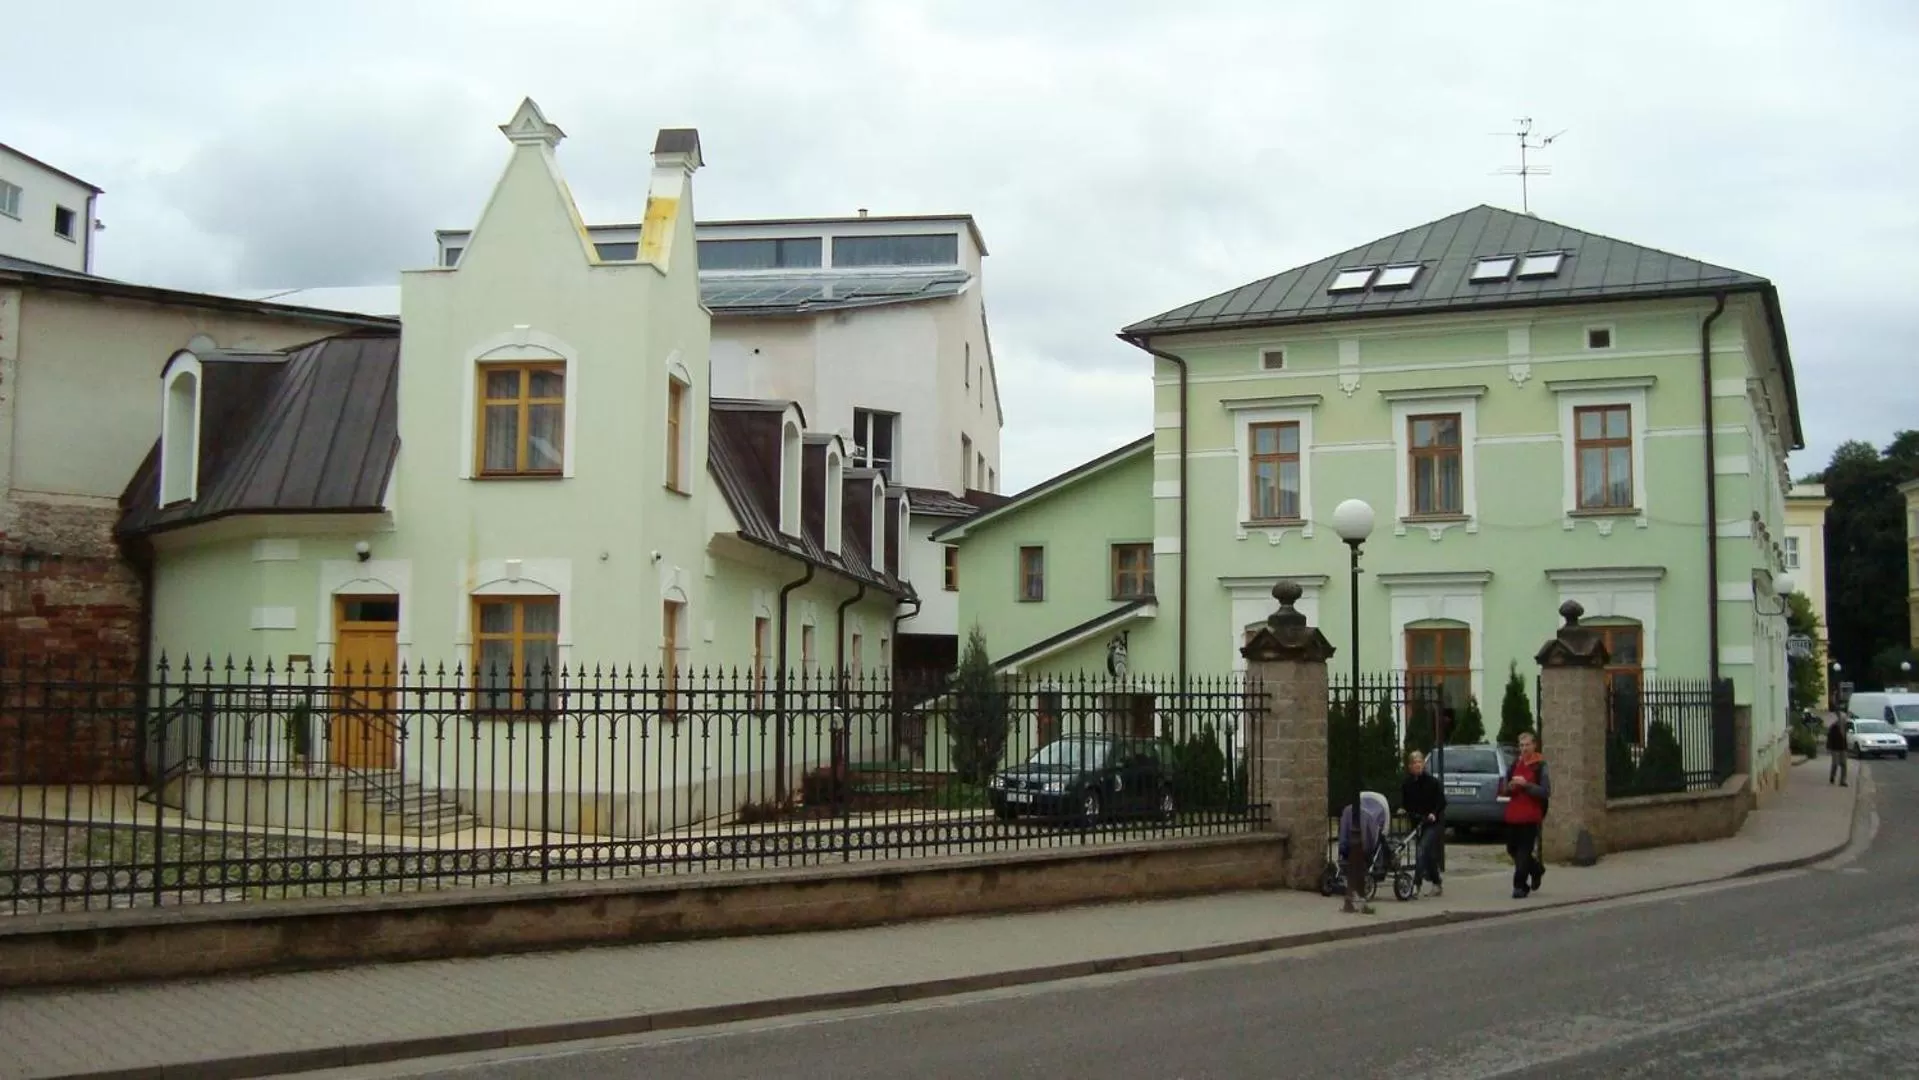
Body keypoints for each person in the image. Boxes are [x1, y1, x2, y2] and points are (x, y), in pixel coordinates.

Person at [1499, 730, 1551, 899]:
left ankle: (1519, 886)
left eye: (1527, 745)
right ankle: (1536, 869)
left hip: (1531, 815)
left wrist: (1526, 785)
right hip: (1514, 815)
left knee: (1523, 851)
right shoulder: (1514, 765)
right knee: (1512, 849)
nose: (1524, 748)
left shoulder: (1540, 765)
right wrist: (1510, 788)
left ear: (1534, 745)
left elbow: (1545, 791)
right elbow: (1504, 789)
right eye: (1521, 745)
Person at [1400, 750, 1447, 897]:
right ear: (1409, 766)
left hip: (1433, 823)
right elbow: (1405, 803)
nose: (1417, 765)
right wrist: (1403, 809)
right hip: (1418, 823)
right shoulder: (1407, 784)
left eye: (1420, 762)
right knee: (1427, 855)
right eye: (1414, 763)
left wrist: (1434, 813)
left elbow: (1442, 802)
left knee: (1421, 849)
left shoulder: (1432, 782)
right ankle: (1437, 882)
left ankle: (1416, 884)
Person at [1827, 713, 1850, 786]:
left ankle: (1843, 781)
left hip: (1843, 748)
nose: (1844, 720)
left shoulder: (1845, 728)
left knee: (1844, 764)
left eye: (1845, 719)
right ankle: (1832, 776)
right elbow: (1830, 738)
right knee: (1835, 764)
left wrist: (1846, 748)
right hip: (1835, 748)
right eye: (1843, 719)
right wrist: (1829, 747)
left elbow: (1845, 738)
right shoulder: (1833, 727)